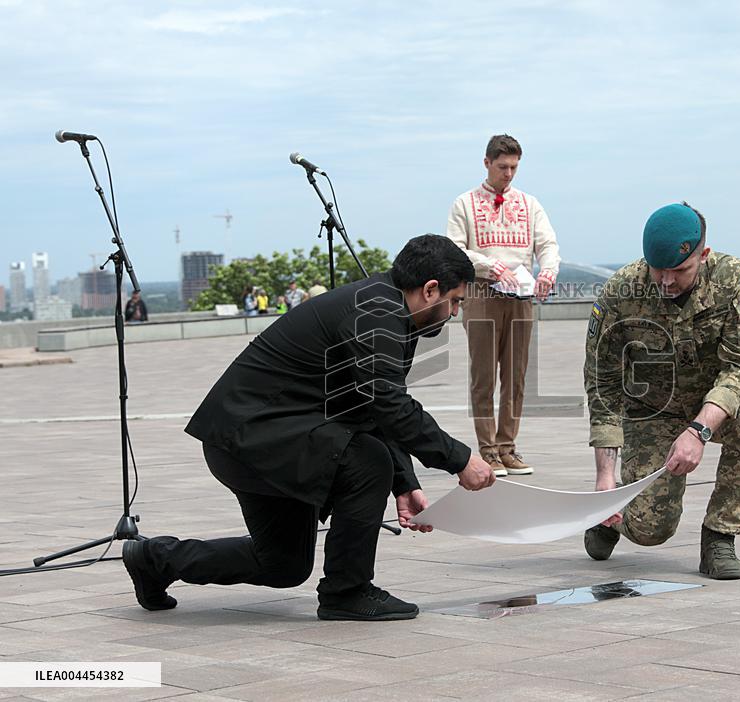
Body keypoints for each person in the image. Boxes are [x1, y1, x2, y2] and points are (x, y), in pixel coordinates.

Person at [120, 235, 496, 621]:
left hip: (268, 437)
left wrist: (404, 483)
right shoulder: (377, 313)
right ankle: (347, 592)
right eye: (455, 301)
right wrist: (460, 459)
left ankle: (154, 559)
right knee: (367, 461)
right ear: (430, 289)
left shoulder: (389, 310)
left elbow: (372, 407)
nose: (454, 312)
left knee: (283, 564)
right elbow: (389, 405)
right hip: (252, 437)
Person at [583, 202, 740, 580]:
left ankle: (719, 537)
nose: (667, 281)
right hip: (653, 408)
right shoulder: (621, 292)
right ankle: (609, 519)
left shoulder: (735, 281)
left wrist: (699, 430)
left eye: (679, 271)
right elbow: (603, 382)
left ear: (703, 255)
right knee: (651, 530)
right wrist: (606, 477)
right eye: (658, 270)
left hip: (719, 399)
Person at [446, 134, 561, 477]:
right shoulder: (464, 203)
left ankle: (507, 446)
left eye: (513, 167)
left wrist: (548, 271)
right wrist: (488, 265)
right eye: (502, 166)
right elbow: (453, 249)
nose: (508, 173)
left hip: (521, 294)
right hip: (482, 293)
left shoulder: (529, 204)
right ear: (487, 163)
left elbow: (547, 243)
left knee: (516, 375)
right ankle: (488, 449)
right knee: (483, 375)